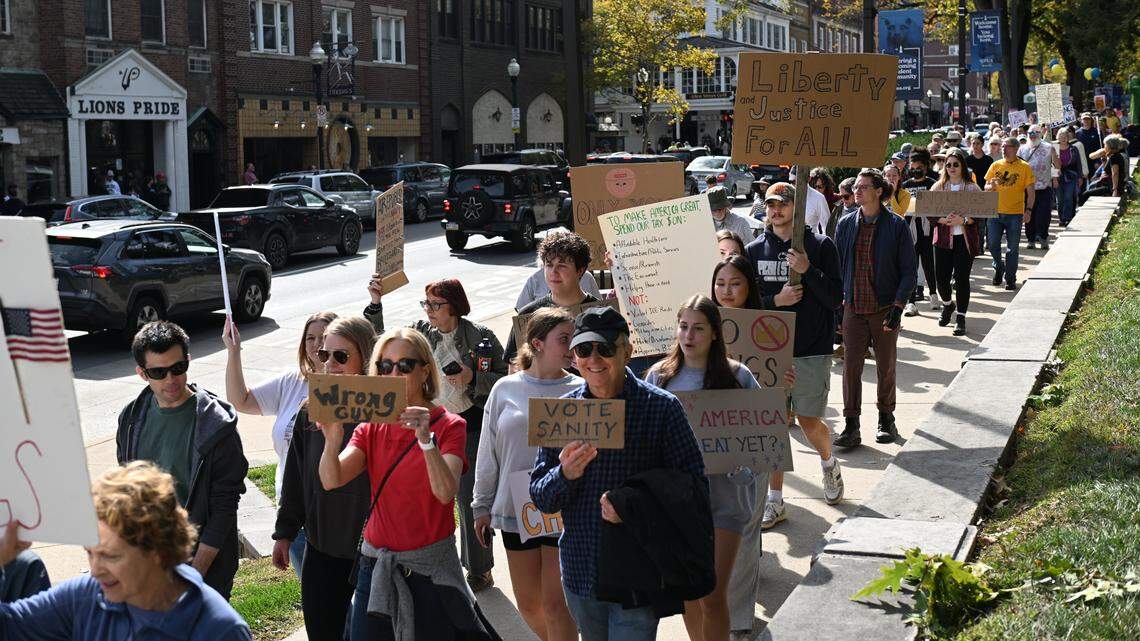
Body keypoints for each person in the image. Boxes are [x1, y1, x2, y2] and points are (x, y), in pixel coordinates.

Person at [530, 307, 707, 641]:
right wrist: (564, 474)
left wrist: (632, 504)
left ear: (627, 351)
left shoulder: (662, 408)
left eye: (605, 348)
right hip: (582, 569)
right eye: (584, 349)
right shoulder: (562, 412)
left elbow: (694, 488)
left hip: (638, 570)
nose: (594, 358)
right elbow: (541, 496)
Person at [318, 328, 500, 641]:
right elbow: (332, 479)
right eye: (385, 366)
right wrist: (332, 440)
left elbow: (445, 492)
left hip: (430, 572)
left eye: (404, 365)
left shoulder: (449, 425)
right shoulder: (371, 426)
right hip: (376, 567)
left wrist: (426, 441)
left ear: (425, 369)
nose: (393, 373)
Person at [646, 296, 778, 641]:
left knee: (713, 593)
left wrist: (744, 469)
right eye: (684, 326)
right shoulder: (659, 377)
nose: (689, 335)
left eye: (698, 328)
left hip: (726, 500)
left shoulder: (738, 377)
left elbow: (764, 438)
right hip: (679, 505)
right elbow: (644, 438)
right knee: (689, 593)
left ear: (715, 333)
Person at [364, 278, 507, 591]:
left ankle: (479, 568)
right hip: (423, 423)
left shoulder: (479, 336)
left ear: (453, 306)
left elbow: (507, 376)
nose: (428, 310)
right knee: (427, 497)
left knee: (469, 498)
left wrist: (473, 377)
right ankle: (434, 558)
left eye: (435, 304)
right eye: (425, 303)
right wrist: (375, 305)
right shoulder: (420, 334)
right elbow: (381, 343)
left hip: (467, 424)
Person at [0, 463, 251, 640]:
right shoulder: (85, 597)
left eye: (110, 556)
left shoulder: (219, 631)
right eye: (89, 552)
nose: (95, 570)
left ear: (157, 549)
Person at [117, 321, 247, 599]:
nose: (170, 380)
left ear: (188, 361)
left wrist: (194, 576)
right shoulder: (131, 420)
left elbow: (224, 509)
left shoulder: (217, 426)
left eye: (178, 368)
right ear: (142, 373)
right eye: (158, 372)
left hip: (203, 568)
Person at [472, 308, 581, 641]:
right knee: (530, 604)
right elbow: (487, 449)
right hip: (515, 506)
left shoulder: (581, 388)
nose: (572, 346)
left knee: (556, 603)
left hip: (565, 504)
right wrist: (481, 504)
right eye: (564, 339)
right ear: (537, 343)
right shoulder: (505, 388)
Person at [747, 182, 844, 532]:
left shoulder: (820, 246)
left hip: (810, 348)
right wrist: (776, 302)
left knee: (808, 422)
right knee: (774, 424)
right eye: (770, 204)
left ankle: (828, 462)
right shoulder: (753, 250)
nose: (775, 210)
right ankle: (775, 500)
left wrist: (808, 271)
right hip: (768, 353)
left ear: (797, 208)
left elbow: (835, 298)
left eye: (782, 204)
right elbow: (742, 304)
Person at [274, 317, 376, 640]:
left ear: (365, 357)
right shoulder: (311, 408)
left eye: (340, 356)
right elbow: (295, 477)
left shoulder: (384, 411)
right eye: (324, 355)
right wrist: (285, 532)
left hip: (373, 552)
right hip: (322, 548)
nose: (329, 363)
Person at [224, 311, 336, 577]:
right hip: (294, 508)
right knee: (314, 596)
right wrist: (233, 351)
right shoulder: (291, 381)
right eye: (310, 337)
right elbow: (241, 400)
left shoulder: (352, 387)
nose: (317, 344)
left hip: (336, 510)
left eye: (324, 337)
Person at [833, 169, 917, 448]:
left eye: (863, 187)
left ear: (879, 191)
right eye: (855, 186)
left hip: (884, 308)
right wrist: (838, 306)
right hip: (853, 308)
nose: (857, 191)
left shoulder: (896, 226)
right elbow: (838, 266)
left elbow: (908, 271)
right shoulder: (845, 225)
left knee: (886, 367)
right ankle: (851, 424)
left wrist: (898, 306)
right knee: (850, 368)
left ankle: (886, 418)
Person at [929, 148, 983, 336]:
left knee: (961, 280)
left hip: (964, 241)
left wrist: (964, 220)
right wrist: (943, 220)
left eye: (955, 164)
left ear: (962, 166)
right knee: (941, 280)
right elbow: (929, 212)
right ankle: (947, 305)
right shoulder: (938, 187)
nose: (951, 167)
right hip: (943, 240)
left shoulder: (972, 187)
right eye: (948, 164)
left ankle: (961, 317)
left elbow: (980, 213)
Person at [985, 137, 1036, 291]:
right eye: (1002, 147)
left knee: (1012, 249)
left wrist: (1028, 210)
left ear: (1015, 148)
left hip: (1015, 214)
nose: (1003, 150)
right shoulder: (995, 165)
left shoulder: (1025, 167)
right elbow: (986, 187)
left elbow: (1031, 192)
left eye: (1007, 147)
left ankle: (1010, 279)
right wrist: (990, 186)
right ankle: (999, 266)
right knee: (993, 245)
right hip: (995, 213)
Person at [901, 150, 940, 315]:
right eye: (913, 167)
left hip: (927, 228)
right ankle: (911, 301)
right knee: (911, 264)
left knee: (928, 262)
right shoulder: (906, 185)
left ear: (925, 167)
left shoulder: (933, 183)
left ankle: (932, 293)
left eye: (919, 167)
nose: (916, 170)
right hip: (910, 228)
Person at [1018, 125, 1060, 250]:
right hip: (1027, 189)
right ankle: (1031, 239)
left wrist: (1054, 155)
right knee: (1029, 215)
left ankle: (1043, 236)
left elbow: (1057, 166)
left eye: (1036, 132)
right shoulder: (1022, 149)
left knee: (1044, 215)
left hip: (1044, 188)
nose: (1033, 135)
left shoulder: (1049, 147)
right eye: (1030, 132)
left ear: (1041, 134)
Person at [516, 267, 601, 311]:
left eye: (562, 266)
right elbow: (521, 307)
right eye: (549, 264)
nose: (554, 272)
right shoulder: (535, 279)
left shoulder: (602, 312)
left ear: (579, 271)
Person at [1082, 134, 1130, 200]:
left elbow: (1115, 173)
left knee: (1085, 194)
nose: (1104, 147)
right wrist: (1104, 159)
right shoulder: (1116, 155)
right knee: (1090, 189)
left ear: (1110, 146)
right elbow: (1107, 170)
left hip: (1111, 187)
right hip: (1110, 185)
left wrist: (1115, 190)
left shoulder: (1114, 157)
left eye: (1105, 145)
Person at [789, 166, 832, 235]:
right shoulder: (786, 195)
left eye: (798, 181)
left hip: (811, 242)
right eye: (792, 182)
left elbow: (827, 227)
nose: (795, 185)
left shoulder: (818, 198)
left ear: (808, 179)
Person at [1055, 129, 1082, 227]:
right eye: (1061, 136)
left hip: (1071, 176)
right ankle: (1061, 218)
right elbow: (1051, 164)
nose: (1063, 138)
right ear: (1058, 137)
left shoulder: (1073, 148)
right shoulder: (1054, 148)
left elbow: (1078, 163)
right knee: (1060, 199)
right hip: (1057, 176)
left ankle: (1067, 218)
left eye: (1065, 137)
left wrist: (1080, 177)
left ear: (1068, 138)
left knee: (1068, 197)